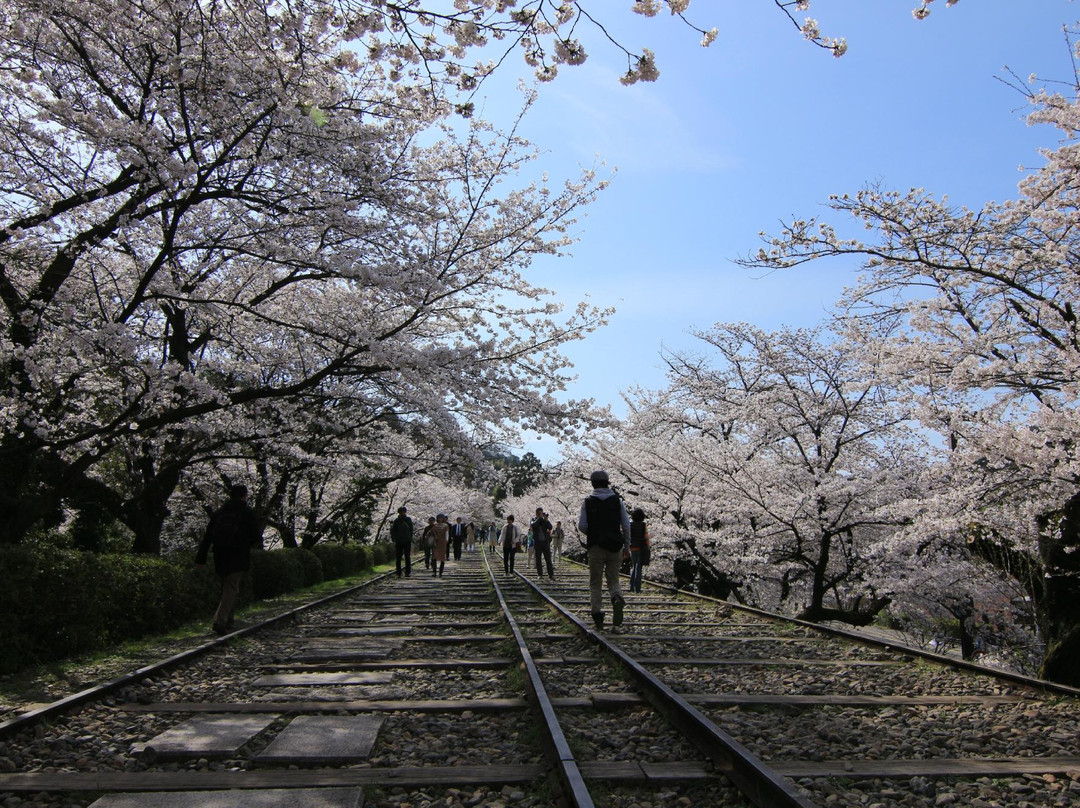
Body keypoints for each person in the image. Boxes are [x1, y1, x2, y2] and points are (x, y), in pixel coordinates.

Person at [196, 484, 263, 636]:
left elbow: (207, 537)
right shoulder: (246, 513)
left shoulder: (219, 513)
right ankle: (220, 621)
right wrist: (246, 544)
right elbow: (256, 536)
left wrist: (201, 558)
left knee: (227, 588)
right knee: (231, 588)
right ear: (244, 495)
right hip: (238, 555)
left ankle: (228, 621)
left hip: (220, 555)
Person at [578, 470, 630, 630]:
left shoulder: (587, 502)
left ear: (592, 483)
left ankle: (597, 614)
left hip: (596, 546)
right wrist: (627, 546)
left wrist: (594, 534)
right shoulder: (617, 501)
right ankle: (616, 597)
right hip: (615, 546)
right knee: (613, 579)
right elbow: (626, 525)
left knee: (595, 581)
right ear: (607, 482)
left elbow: (582, 526)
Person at [628, 508, 650, 593]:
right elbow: (646, 536)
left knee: (634, 566)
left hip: (632, 548)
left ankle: (631, 586)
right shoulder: (643, 525)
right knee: (639, 568)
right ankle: (637, 588)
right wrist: (648, 546)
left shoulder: (630, 525)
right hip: (641, 548)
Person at [390, 506, 414, 578]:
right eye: (401, 512)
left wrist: (409, 537)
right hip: (399, 541)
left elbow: (411, 529)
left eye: (403, 511)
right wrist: (394, 538)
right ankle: (398, 572)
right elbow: (393, 530)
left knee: (407, 557)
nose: (402, 513)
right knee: (398, 557)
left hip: (407, 541)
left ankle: (407, 572)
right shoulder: (396, 521)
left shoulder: (408, 520)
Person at [531, 507, 555, 579]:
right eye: (539, 513)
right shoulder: (533, 520)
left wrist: (546, 520)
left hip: (545, 542)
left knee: (548, 559)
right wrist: (539, 518)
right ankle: (540, 574)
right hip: (537, 543)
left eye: (541, 513)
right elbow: (533, 525)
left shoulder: (544, 521)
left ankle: (551, 574)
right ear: (536, 513)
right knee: (538, 559)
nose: (540, 514)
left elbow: (550, 527)